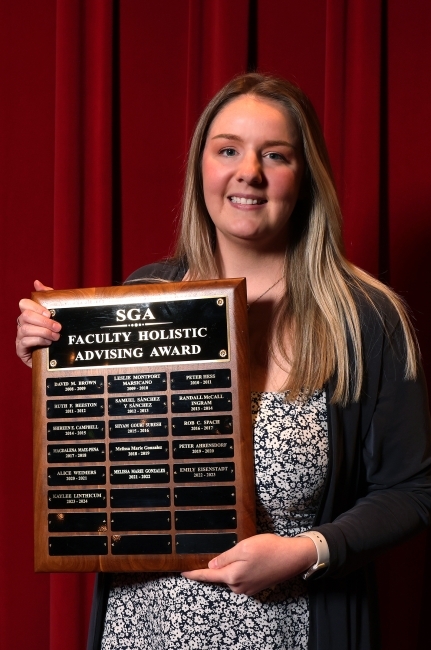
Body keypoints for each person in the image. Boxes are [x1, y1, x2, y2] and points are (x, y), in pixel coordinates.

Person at [16, 73, 431, 650]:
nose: (249, 172)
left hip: (286, 630)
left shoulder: (364, 319)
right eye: (229, 149)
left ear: (304, 176)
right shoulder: (146, 296)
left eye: (275, 155)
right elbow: (110, 463)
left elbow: (412, 491)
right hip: (139, 631)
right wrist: (56, 360)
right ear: (201, 168)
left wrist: (304, 552)